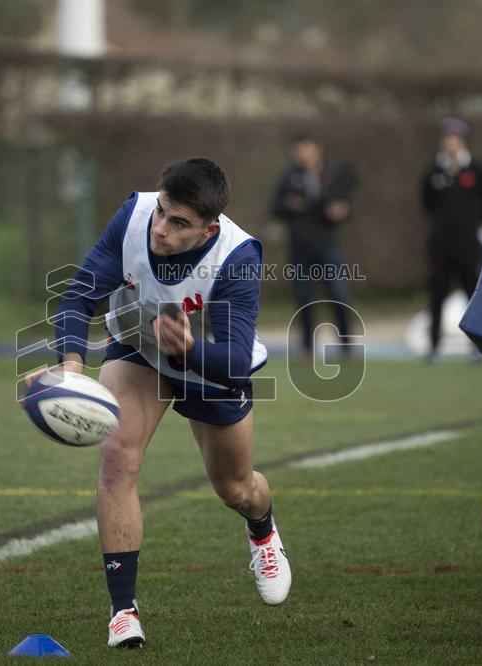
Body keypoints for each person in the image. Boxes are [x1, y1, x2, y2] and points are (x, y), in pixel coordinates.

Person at [24, 158, 290, 648]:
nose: (161, 230)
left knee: (236, 489)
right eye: (162, 213)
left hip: (210, 364)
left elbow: (233, 360)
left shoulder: (238, 255)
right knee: (116, 458)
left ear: (209, 229)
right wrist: (71, 369)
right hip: (138, 349)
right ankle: (123, 612)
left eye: (179, 223)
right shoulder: (133, 216)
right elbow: (79, 297)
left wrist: (189, 349)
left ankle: (262, 529)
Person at [270, 135, 356, 358]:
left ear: (317, 151)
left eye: (307, 151)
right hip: (299, 248)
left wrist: (340, 212)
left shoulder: (332, 175)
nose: (303, 156)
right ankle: (307, 348)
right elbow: (276, 207)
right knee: (304, 300)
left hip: (327, 246)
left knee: (338, 295)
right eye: (299, 151)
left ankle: (347, 347)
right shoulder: (289, 177)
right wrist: (289, 206)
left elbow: (346, 205)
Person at [420, 117, 482, 362]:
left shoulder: (476, 170)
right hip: (440, 246)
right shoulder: (433, 171)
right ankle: (433, 346)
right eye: (447, 138)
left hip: (468, 245)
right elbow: (427, 204)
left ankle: (477, 347)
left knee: (471, 295)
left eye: (455, 138)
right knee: (436, 295)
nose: (451, 143)